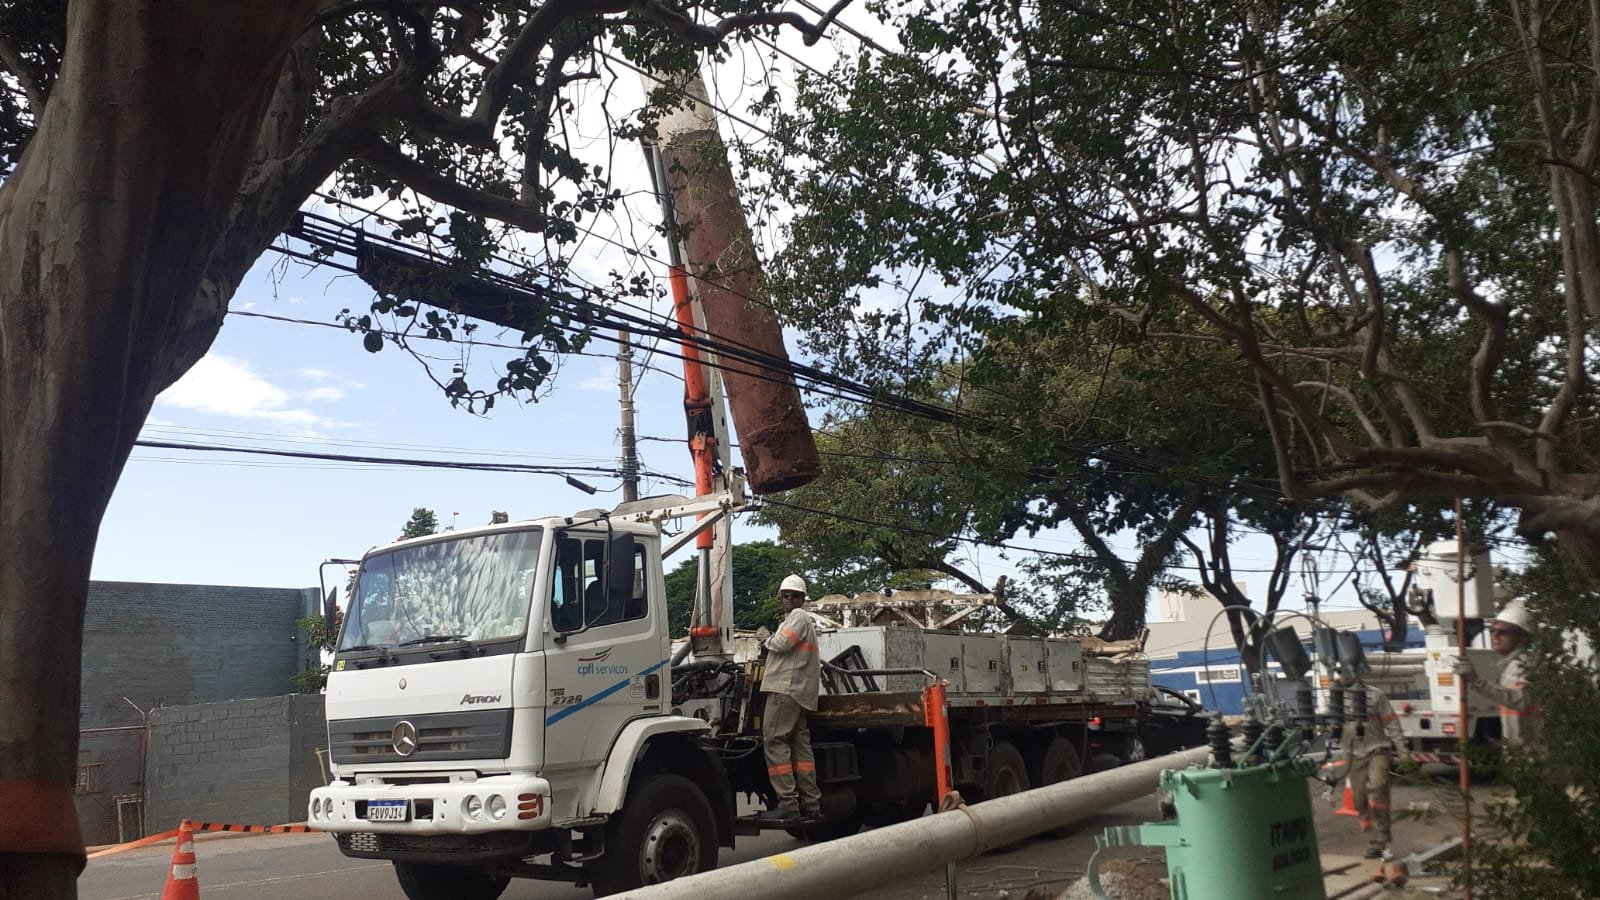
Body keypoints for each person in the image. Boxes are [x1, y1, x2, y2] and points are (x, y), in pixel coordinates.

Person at [758, 574, 823, 827]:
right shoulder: (801, 620)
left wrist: (765, 639)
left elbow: (782, 643)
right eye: (785, 595)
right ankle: (811, 804)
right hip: (799, 693)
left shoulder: (798, 617)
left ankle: (787, 805)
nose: (789, 599)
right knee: (801, 751)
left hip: (785, 690)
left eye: (794, 595)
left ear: (802, 599)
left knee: (774, 742)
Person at [1336, 666, 1404, 859]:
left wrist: (1402, 749)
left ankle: (1382, 833)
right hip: (1353, 753)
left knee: (1377, 786)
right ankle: (1372, 840)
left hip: (1377, 750)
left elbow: (1391, 722)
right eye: (1339, 671)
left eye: (1345, 670)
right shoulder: (1336, 698)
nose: (1341, 675)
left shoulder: (1376, 696)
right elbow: (1328, 722)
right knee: (1359, 800)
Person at [1455, 598, 1540, 746]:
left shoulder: (1524, 665)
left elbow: (1520, 700)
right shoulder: (1511, 664)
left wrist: (1477, 681)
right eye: (1492, 630)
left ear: (1522, 639)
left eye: (1503, 632)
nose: (1494, 636)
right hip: (1521, 748)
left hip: (1532, 749)